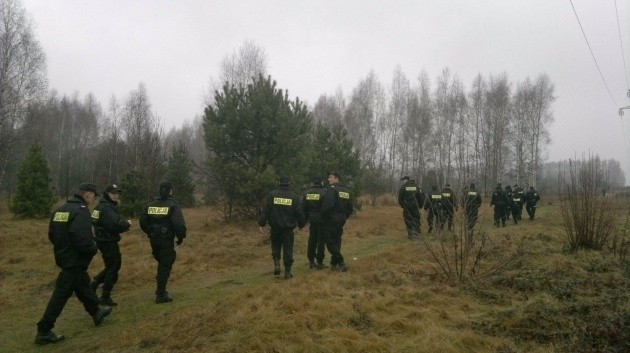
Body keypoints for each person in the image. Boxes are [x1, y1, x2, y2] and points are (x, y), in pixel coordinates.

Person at [35, 183, 112, 345]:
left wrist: (63, 248)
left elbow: (52, 234)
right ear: (88, 195)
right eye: (93, 196)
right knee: (61, 295)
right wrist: (93, 248)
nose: (93, 199)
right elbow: (82, 238)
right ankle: (44, 330)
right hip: (75, 259)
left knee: (82, 284)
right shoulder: (81, 211)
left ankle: (96, 312)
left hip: (64, 257)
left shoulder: (60, 210)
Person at [139, 182, 187, 303]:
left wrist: (149, 232)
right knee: (166, 264)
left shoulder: (150, 204)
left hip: (154, 239)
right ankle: (161, 294)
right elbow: (179, 224)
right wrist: (180, 237)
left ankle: (160, 289)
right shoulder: (173, 205)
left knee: (161, 262)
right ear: (170, 191)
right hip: (166, 239)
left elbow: (142, 221)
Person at [91, 184, 132, 306]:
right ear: (107, 193)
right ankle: (105, 295)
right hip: (108, 241)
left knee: (111, 266)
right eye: (113, 193)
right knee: (114, 267)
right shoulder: (107, 208)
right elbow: (115, 225)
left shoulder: (99, 206)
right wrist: (126, 223)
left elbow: (96, 222)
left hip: (101, 240)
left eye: (117, 193)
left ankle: (94, 283)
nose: (116, 196)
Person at [258, 176, 306, 278]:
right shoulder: (294, 196)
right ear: (289, 182)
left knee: (276, 246)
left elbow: (266, 210)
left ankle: (277, 264)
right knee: (288, 249)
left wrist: (261, 223)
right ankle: (287, 272)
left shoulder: (272, 195)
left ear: (279, 182)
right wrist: (302, 224)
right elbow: (299, 212)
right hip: (288, 229)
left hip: (275, 228)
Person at [321, 171, 352, 271]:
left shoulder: (332, 190)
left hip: (331, 219)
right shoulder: (346, 191)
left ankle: (341, 262)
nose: (328, 179)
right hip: (341, 219)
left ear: (337, 178)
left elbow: (327, 206)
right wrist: (344, 216)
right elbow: (350, 208)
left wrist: (325, 217)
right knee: (337, 240)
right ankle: (334, 263)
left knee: (330, 241)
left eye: (331, 177)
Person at [302, 179, 327, 269]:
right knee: (321, 241)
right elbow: (326, 207)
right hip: (322, 220)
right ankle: (320, 262)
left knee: (312, 240)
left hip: (311, 220)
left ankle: (311, 261)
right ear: (321, 184)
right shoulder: (324, 193)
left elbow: (303, 208)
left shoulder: (307, 193)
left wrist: (304, 221)